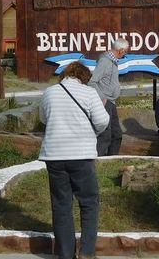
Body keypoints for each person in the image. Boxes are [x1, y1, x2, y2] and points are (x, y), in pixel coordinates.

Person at [39, 60, 110, 259]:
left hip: (54, 155)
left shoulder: (49, 93)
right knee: (89, 202)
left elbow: (43, 119)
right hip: (81, 155)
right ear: (84, 77)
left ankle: (65, 253)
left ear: (65, 74)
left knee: (61, 205)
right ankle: (87, 251)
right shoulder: (89, 93)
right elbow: (102, 121)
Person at [89, 38, 126, 156]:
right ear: (120, 50)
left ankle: (112, 159)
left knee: (116, 134)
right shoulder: (105, 61)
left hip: (111, 102)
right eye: (125, 51)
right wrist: (102, 98)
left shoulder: (112, 61)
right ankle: (97, 159)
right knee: (106, 134)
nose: (125, 54)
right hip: (105, 102)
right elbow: (92, 81)